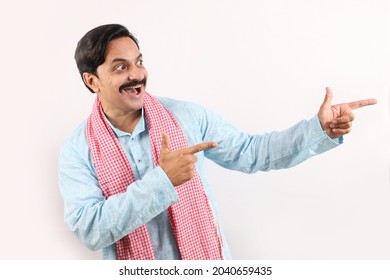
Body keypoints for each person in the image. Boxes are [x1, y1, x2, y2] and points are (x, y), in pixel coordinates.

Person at [58, 23, 377, 260]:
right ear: (92, 80)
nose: (137, 74)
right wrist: (163, 180)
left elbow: (254, 153)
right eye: (121, 67)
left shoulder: (186, 116)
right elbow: (90, 230)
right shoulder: (77, 151)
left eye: (139, 62)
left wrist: (320, 129)